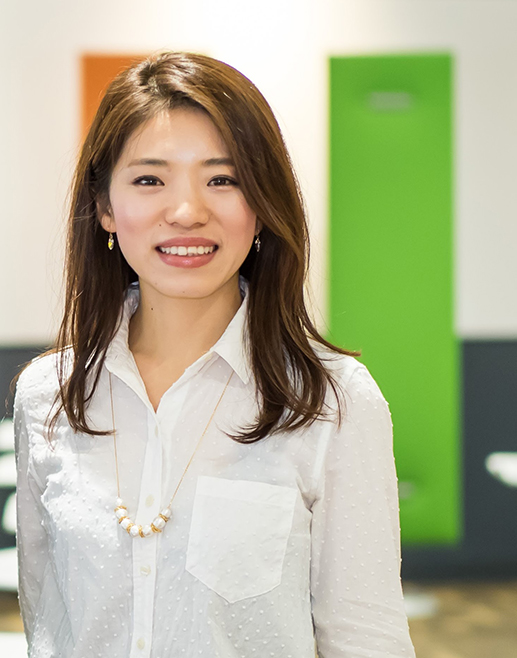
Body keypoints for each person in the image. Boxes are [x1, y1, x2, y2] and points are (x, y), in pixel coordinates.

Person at [14, 51, 415, 658]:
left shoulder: (331, 401)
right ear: (104, 208)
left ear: (261, 207)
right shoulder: (49, 395)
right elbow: (48, 627)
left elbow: (367, 641)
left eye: (222, 179)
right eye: (150, 180)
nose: (186, 212)